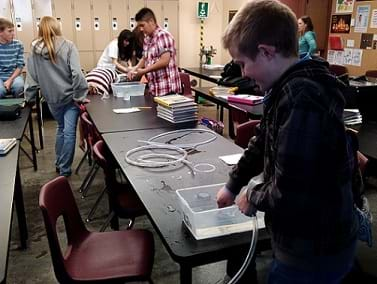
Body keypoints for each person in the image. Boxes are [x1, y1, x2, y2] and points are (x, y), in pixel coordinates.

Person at [216, 1, 358, 283]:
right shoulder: (285, 87)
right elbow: (262, 141)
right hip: (305, 242)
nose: (242, 74)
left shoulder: (301, 99)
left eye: (243, 63)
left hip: (314, 251)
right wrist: (233, 184)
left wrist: (251, 196)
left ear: (267, 52)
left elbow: (289, 192)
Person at [24, 16, 88, 177]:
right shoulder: (68, 46)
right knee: (69, 133)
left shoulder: (33, 52)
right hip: (69, 98)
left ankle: (59, 163)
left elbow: (31, 80)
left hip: (51, 99)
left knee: (61, 128)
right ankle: (64, 170)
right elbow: (77, 75)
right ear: (57, 27)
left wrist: (29, 100)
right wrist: (80, 96)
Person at [129, 8, 181, 96]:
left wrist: (144, 71)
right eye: (139, 26)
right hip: (155, 89)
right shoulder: (147, 39)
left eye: (142, 25)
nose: (141, 29)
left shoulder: (163, 35)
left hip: (167, 89)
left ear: (151, 21)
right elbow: (145, 58)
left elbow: (164, 61)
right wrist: (135, 68)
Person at [0, 18, 24, 98]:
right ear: (0, 32)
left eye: (13, 30)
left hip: (14, 76)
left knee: (19, 87)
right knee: (0, 91)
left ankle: (18, 109)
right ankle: (4, 110)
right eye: (10, 31)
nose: (13, 33)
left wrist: (10, 80)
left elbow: (20, 66)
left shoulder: (18, 44)